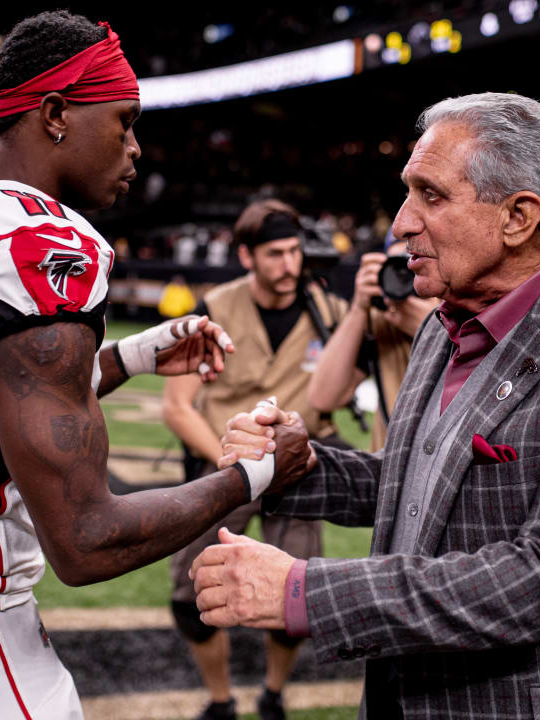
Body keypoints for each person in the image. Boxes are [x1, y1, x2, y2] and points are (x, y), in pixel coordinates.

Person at [0, 13, 309, 719]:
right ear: (54, 115)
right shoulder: (39, 246)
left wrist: (132, 355)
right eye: (124, 123)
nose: (135, 149)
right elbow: (85, 540)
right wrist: (257, 474)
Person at [192, 93, 540, 719]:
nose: (401, 221)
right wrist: (302, 465)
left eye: (430, 195)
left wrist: (303, 591)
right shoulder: (447, 319)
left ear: (518, 217)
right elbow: (421, 484)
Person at [161, 199, 350, 720]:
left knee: (295, 594)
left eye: (293, 251)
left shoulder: (331, 310)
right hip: (226, 468)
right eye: (274, 254)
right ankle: (221, 700)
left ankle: (273, 694)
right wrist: (235, 460)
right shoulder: (213, 309)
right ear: (245, 255)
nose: (288, 264)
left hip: (300, 470)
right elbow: (177, 408)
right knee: (191, 592)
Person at [308, 238, 439, 451]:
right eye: (395, 266)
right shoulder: (382, 319)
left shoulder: (461, 316)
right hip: (385, 467)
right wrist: (359, 308)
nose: (404, 276)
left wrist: (435, 329)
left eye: (415, 264)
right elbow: (323, 398)